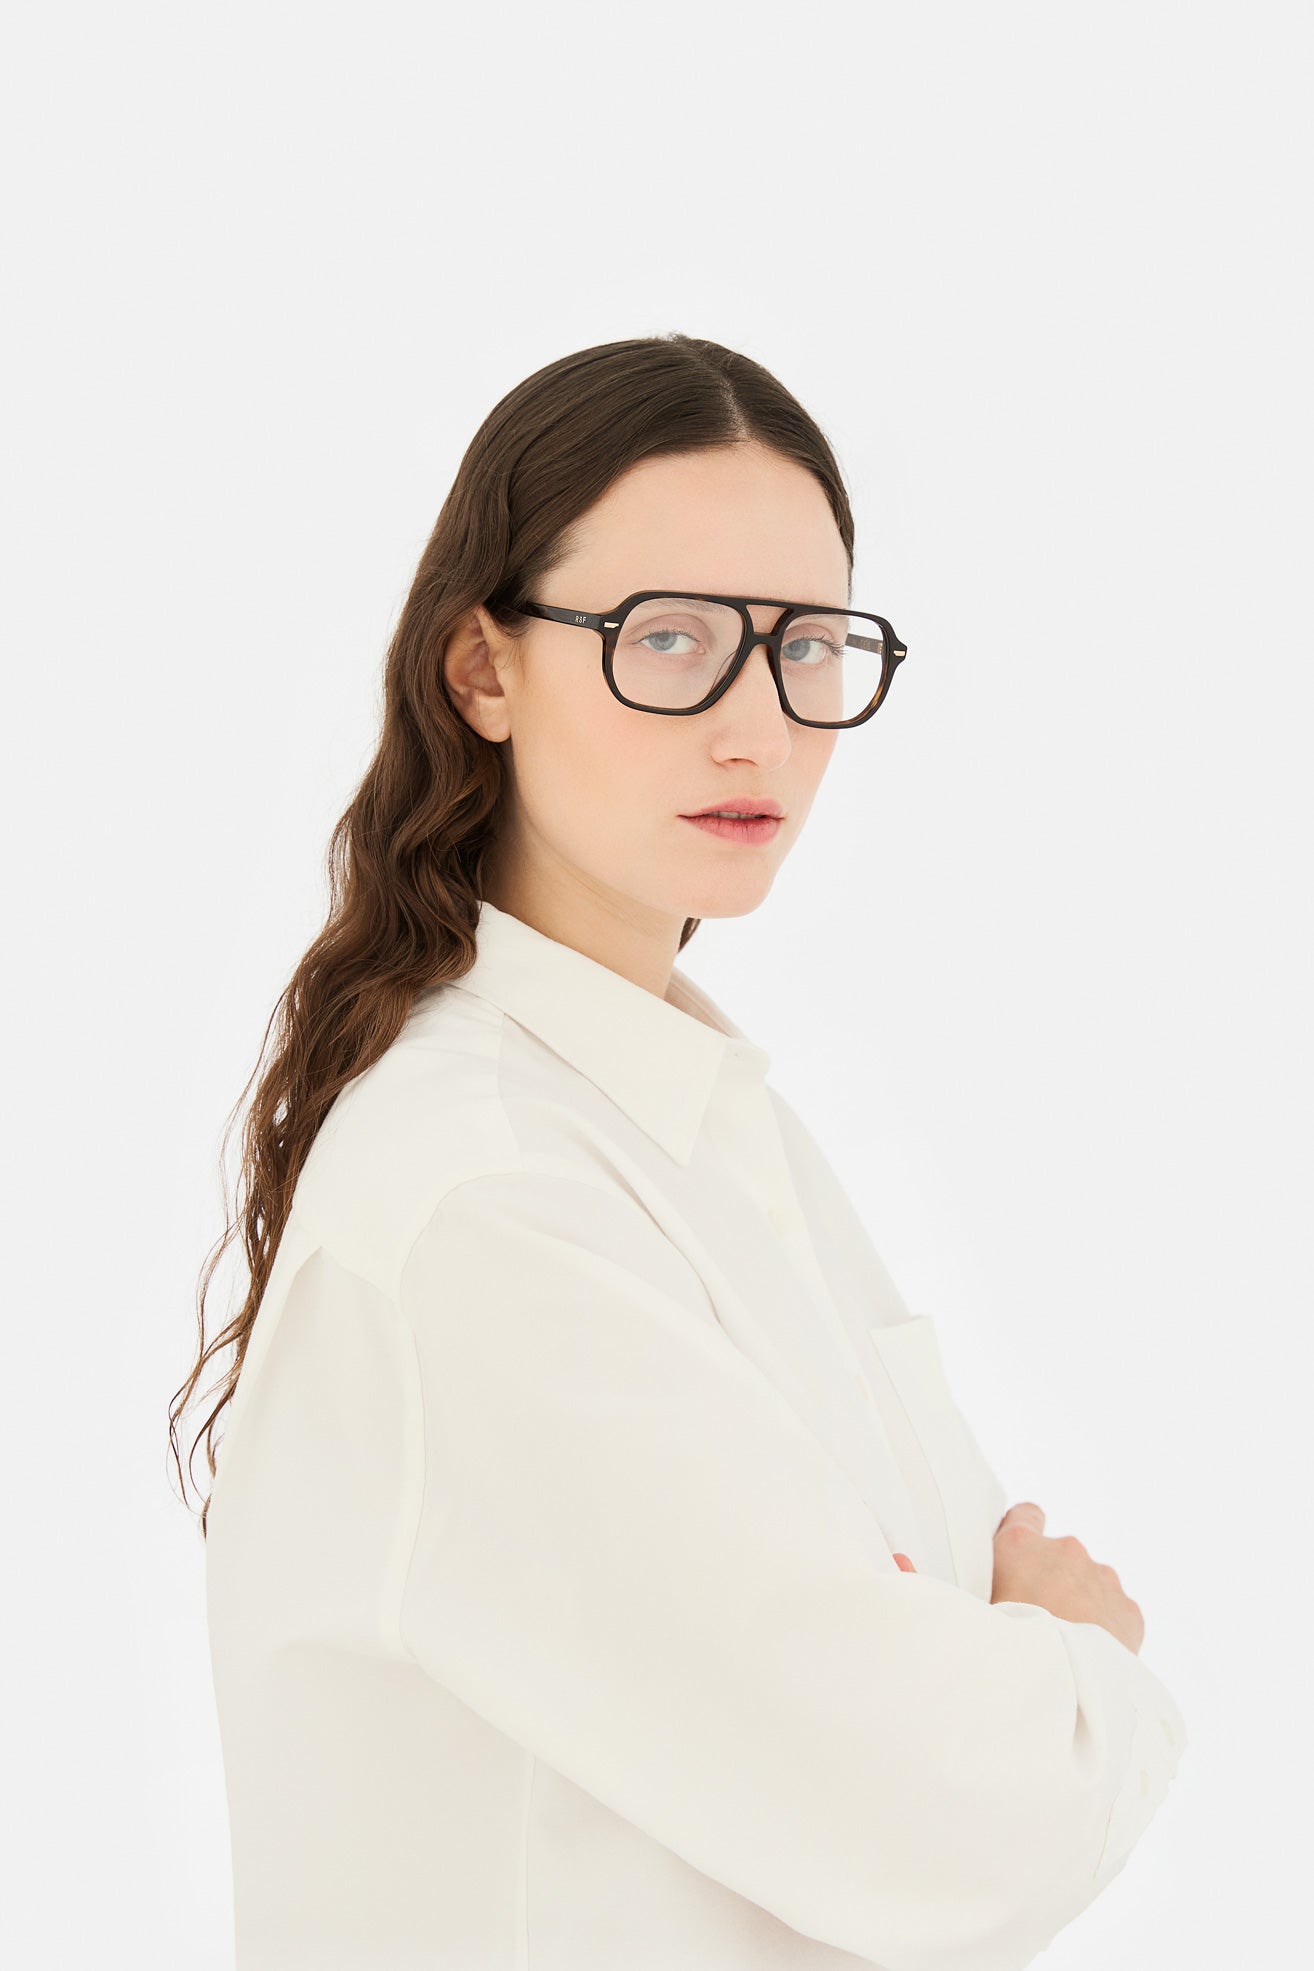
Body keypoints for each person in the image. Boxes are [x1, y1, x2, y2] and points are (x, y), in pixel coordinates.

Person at [169, 333, 1187, 1970]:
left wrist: (981, 1682)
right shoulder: (487, 1196)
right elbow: (945, 1817)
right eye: (669, 642)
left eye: (806, 649)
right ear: (482, 669)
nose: (756, 730)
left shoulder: (709, 1124)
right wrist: (1079, 1666)